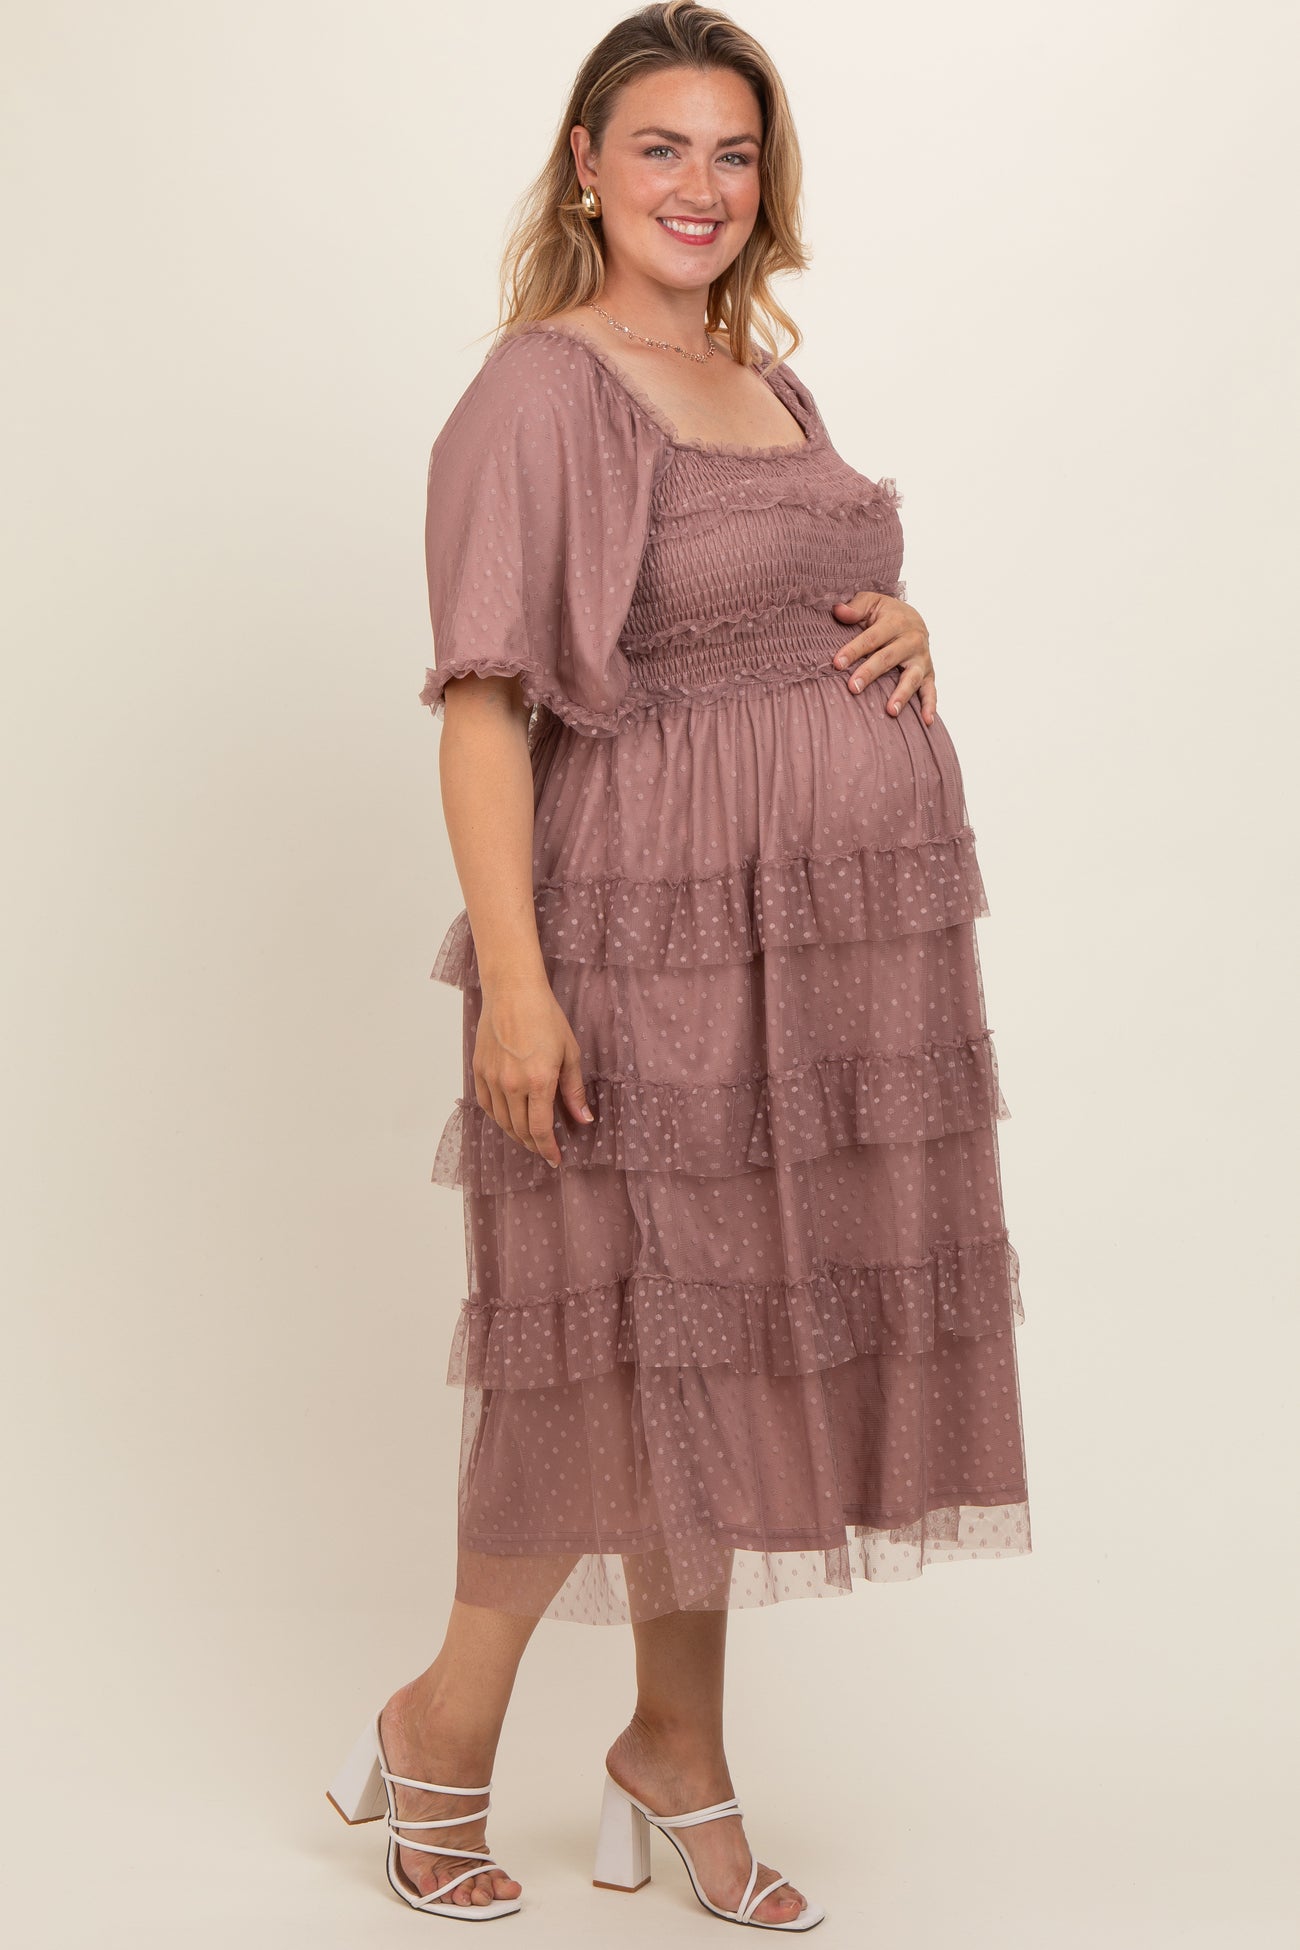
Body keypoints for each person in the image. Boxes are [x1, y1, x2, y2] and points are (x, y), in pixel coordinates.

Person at [327, 0, 1030, 1928]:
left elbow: (762, 605)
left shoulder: (760, 376)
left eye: (733, 152)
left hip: (811, 951)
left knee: (721, 1339)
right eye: (661, 148)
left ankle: (673, 1750)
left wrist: (895, 627)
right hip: (641, 933)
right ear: (586, 168)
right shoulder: (543, 391)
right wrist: (520, 980)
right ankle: (438, 1729)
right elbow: (485, 701)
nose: (700, 186)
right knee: (604, 1344)